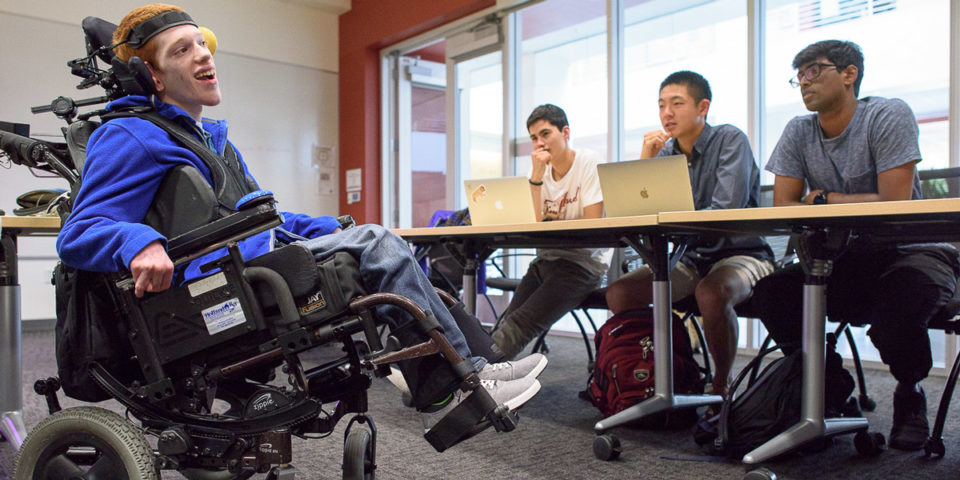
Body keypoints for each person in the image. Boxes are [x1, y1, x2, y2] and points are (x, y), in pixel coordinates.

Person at [55, 3, 546, 438]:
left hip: (248, 261)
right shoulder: (131, 135)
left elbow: (256, 217)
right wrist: (139, 242)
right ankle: (465, 379)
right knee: (377, 243)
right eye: (182, 51)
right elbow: (82, 229)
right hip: (215, 285)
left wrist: (323, 227)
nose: (204, 55)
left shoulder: (210, 138)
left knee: (387, 249)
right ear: (152, 77)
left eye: (203, 45)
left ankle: (477, 371)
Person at [754, 39, 960, 451]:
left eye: (814, 71)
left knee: (902, 302)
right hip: (844, 257)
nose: (803, 82)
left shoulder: (886, 114)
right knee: (772, 293)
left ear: (849, 74)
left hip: (913, 250)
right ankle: (830, 389)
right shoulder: (798, 129)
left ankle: (908, 391)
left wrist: (825, 198)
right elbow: (783, 204)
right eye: (798, 75)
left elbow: (895, 202)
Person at [603, 71, 774, 398]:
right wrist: (646, 160)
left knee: (711, 292)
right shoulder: (666, 153)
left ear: (703, 107)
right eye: (661, 105)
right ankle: (664, 368)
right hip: (691, 257)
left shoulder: (729, 140)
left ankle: (722, 385)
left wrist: (670, 221)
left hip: (742, 253)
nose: (667, 113)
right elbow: (633, 213)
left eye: (677, 103)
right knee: (620, 293)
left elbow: (725, 210)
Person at [490, 104, 613, 359]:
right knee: (507, 321)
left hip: (582, 265)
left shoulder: (588, 161)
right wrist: (535, 178)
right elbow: (532, 224)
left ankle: (467, 378)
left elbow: (592, 222)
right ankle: (473, 372)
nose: (539, 143)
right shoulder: (537, 172)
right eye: (534, 138)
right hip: (547, 260)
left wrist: (549, 222)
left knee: (517, 326)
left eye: (545, 134)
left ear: (565, 132)